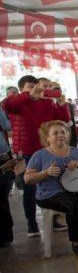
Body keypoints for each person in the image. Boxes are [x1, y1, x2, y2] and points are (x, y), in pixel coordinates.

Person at [3, 74, 71, 235]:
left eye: (37, 87)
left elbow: (63, 120)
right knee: (30, 189)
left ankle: (55, 220)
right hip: (26, 152)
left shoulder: (47, 103)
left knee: (54, 185)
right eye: (30, 87)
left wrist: (62, 106)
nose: (36, 90)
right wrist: (28, 96)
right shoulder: (18, 102)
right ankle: (32, 224)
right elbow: (6, 105)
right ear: (21, 90)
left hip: (48, 151)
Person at [23, 121, 78, 256]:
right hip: (50, 194)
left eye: (63, 132)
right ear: (47, 137)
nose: (60, 135)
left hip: (77, 190)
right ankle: (76, 241)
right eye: (55, 133)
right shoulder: (39, 155)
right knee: (75, 205)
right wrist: (45, 173)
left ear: (67, 135)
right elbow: (27, 179)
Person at [0, 106, 23, 247]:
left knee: (2, 198)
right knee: (2, 199)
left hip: (4, 155)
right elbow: (8, 125)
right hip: (3, 155)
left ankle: (5, 237)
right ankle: (4, 237)